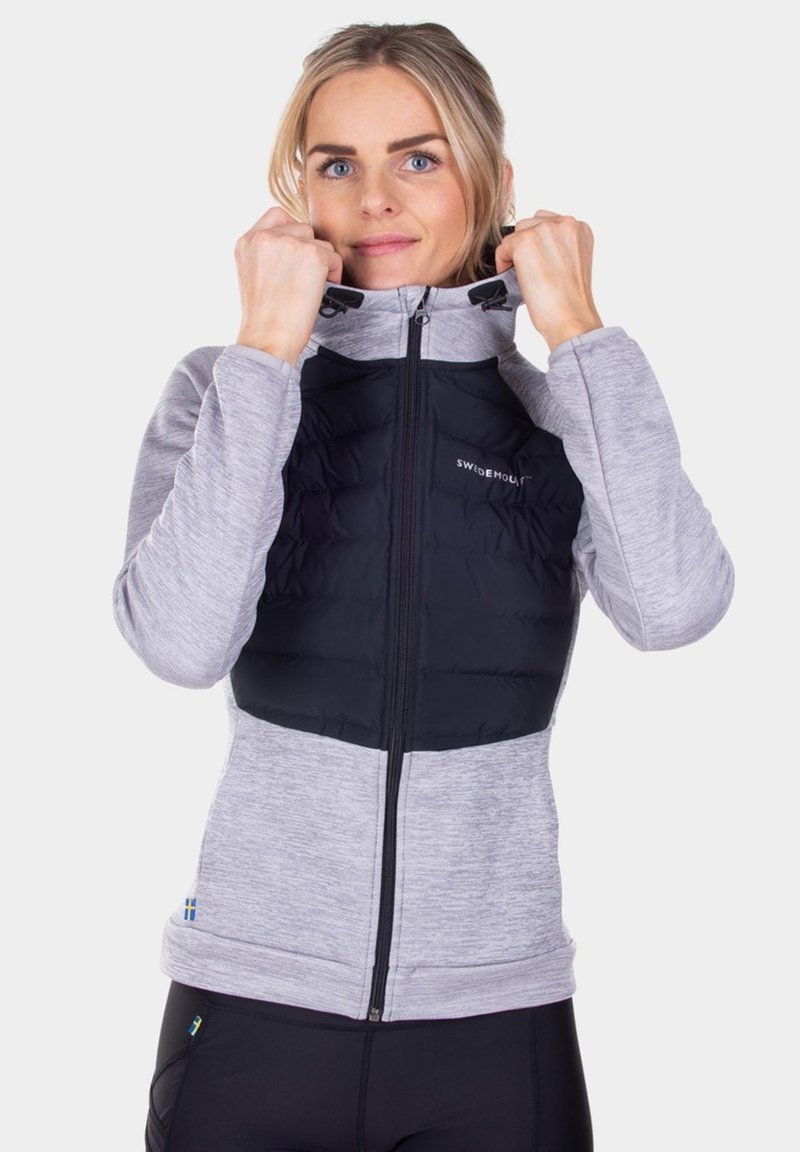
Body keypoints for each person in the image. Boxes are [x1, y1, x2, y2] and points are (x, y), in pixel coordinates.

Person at [112, 21, 735, 1152]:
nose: (374, 201)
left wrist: (578, 329)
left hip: (493, 1021)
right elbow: (180, 642)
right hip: (251, 1007)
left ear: (490, 177)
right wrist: (264, 347)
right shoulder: (226, 391)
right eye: (335, 164)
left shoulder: (559, 410)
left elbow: (674, 604)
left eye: (419, 157)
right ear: (297, 188)